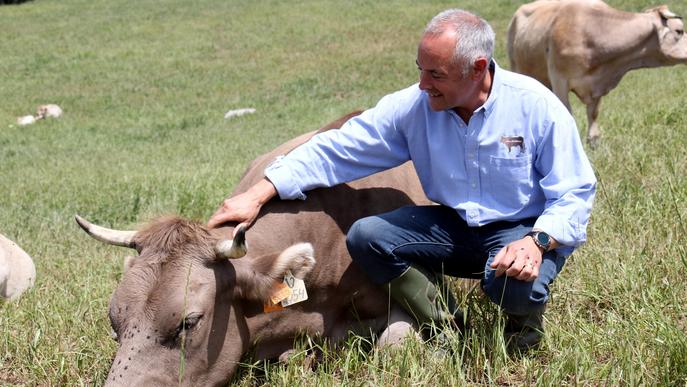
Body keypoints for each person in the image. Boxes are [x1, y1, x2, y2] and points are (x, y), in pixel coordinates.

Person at [208, 9, 596, 351]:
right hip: (457, 227)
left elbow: (575, 192)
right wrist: (261, 190)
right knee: (366, 237)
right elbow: (337, 148)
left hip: (520, 231)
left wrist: (538, 241)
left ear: (478, 68)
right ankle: (444, 324)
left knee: (513, 284)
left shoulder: (535, 105)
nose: (424, 84)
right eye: (420, 70)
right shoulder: (416, 106)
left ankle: (522, 337)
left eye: (436, 74)